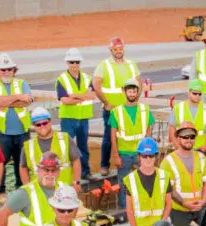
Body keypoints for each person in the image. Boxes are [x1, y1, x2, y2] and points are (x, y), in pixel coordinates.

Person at [94, 37, 142, 179]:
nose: (118, 51)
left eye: (120, 49)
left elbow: (139, 82)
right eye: (115, 49)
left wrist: (135, 100)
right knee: (109, 137)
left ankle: (132, 161)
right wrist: (106, 102)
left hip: (128, 109)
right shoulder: (104, 65)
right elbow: (96, 84)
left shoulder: (132, 64)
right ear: (111, 50)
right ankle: (104, 165)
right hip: (112, 110)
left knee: (130, 135)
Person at [0, 53, 33, 193]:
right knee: (0, 164)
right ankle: (0, 191)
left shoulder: (22, 83)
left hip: (22, 132)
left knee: (22, 164)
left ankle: (22, 191)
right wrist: (18, 97)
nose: (6, 72)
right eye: (3, 69)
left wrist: (5, 101)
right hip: (0, 133)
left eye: (9, 69)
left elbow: (27, 102)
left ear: (14, 70)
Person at [123, 137, 173, 226]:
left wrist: (163, 223)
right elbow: (129, 209)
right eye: (144, 156)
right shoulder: (131, 179)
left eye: (151, 156)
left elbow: (168, 203)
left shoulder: (164, 176)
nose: (148, 159)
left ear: (156, 156)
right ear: (139, 157)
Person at [161, 126, 206, 226]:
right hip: (179, 210)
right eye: (185, 137)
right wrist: (185, 204)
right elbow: (168, 188)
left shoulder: (201, 158)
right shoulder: (168, 162)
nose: (189, 140)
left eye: (192, 137)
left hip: (200, 208)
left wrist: (203, 200)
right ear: (178, 139)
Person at [111, 79, 156, 208]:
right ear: (124, 92)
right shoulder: (117, 111)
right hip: (124, 154)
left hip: (141, 154)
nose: (132, 94)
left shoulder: (144, 109)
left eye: (134, 91)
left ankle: (143, 206)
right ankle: (126, 209)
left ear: (137, 93)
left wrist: (146, 147)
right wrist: (116, 155)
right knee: (124, 182)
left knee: (144, 180)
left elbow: (150, 125)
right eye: (130, 91)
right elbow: (113, 135)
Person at [55, 48, 98, 181]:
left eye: (76, 62)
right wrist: (83, 97)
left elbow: (92, 95)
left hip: (83, 118)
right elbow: (65, 100)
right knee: (66, 147)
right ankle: (66, 175)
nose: (74, 65)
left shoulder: (86, 78)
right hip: (68, 118)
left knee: (83, 146)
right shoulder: (62, 79)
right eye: (71, 62)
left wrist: (75, 96)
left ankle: (86, 172)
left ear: (80, 63)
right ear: (67, 63)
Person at [20, 108, 81, 190]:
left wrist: (76, 182)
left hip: (64, 190)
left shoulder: (64, 138)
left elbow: (76, 161)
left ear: (50, 122)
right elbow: (23, 168)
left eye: (45, 123)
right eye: (38, 124)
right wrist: (27, 188)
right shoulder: (28, 145)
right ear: (34, 126)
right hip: (40, 192)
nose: (42, 126)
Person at [172, 80, 206, 152]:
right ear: (189, 93)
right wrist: (176, 144)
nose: (197, 96)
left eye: (200, 94)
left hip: (200, 149)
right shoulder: (178, 107)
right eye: (195, 93)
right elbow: (172, 127)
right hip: (182, 148)